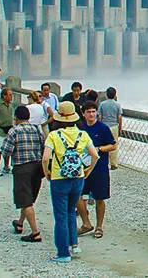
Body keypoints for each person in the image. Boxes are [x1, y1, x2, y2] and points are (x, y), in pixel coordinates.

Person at [42, 101, 98, 263]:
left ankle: (63, 253)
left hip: (59, 179)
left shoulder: (54, 135)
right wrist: (87, 170)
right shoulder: (83, 135)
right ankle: (74, 244)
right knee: (71, 211)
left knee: (60, 215)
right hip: (78, 177)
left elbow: (46, 157)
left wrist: (46, 171)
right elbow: (95, 155)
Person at [1, 106, 46, 243]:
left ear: (17, 118)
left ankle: (35, 232)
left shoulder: (14, 131)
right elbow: (44, 146)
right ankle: (20, 223)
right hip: (37, 167)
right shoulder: (37, 130)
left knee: (25, 199)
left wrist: (6, 164)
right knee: (29, 197)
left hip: (22, 167)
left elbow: (6, 150)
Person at [76, 101, 116, 239]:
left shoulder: (103, 128)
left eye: (93, 112)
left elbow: (113, 145)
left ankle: (99, 226)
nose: (91, 114)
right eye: (88, 112)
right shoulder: (79, 128)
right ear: (83, 114)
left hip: (99, 168)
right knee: (78, 195)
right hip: (82, 167)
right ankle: (86, 223)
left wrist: (98, 149)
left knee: (100, 198)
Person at [97, 87, 123, 170]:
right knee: (114, 145)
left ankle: (104, 162)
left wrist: (99, 126)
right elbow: (119, 117)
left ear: (106, 94)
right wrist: (120, 128)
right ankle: (114, 164)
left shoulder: (102, 104)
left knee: (104, 144)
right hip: (114, 126)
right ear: (115, 95)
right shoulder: (117, 105)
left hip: (104, 126)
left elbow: (100, 116)